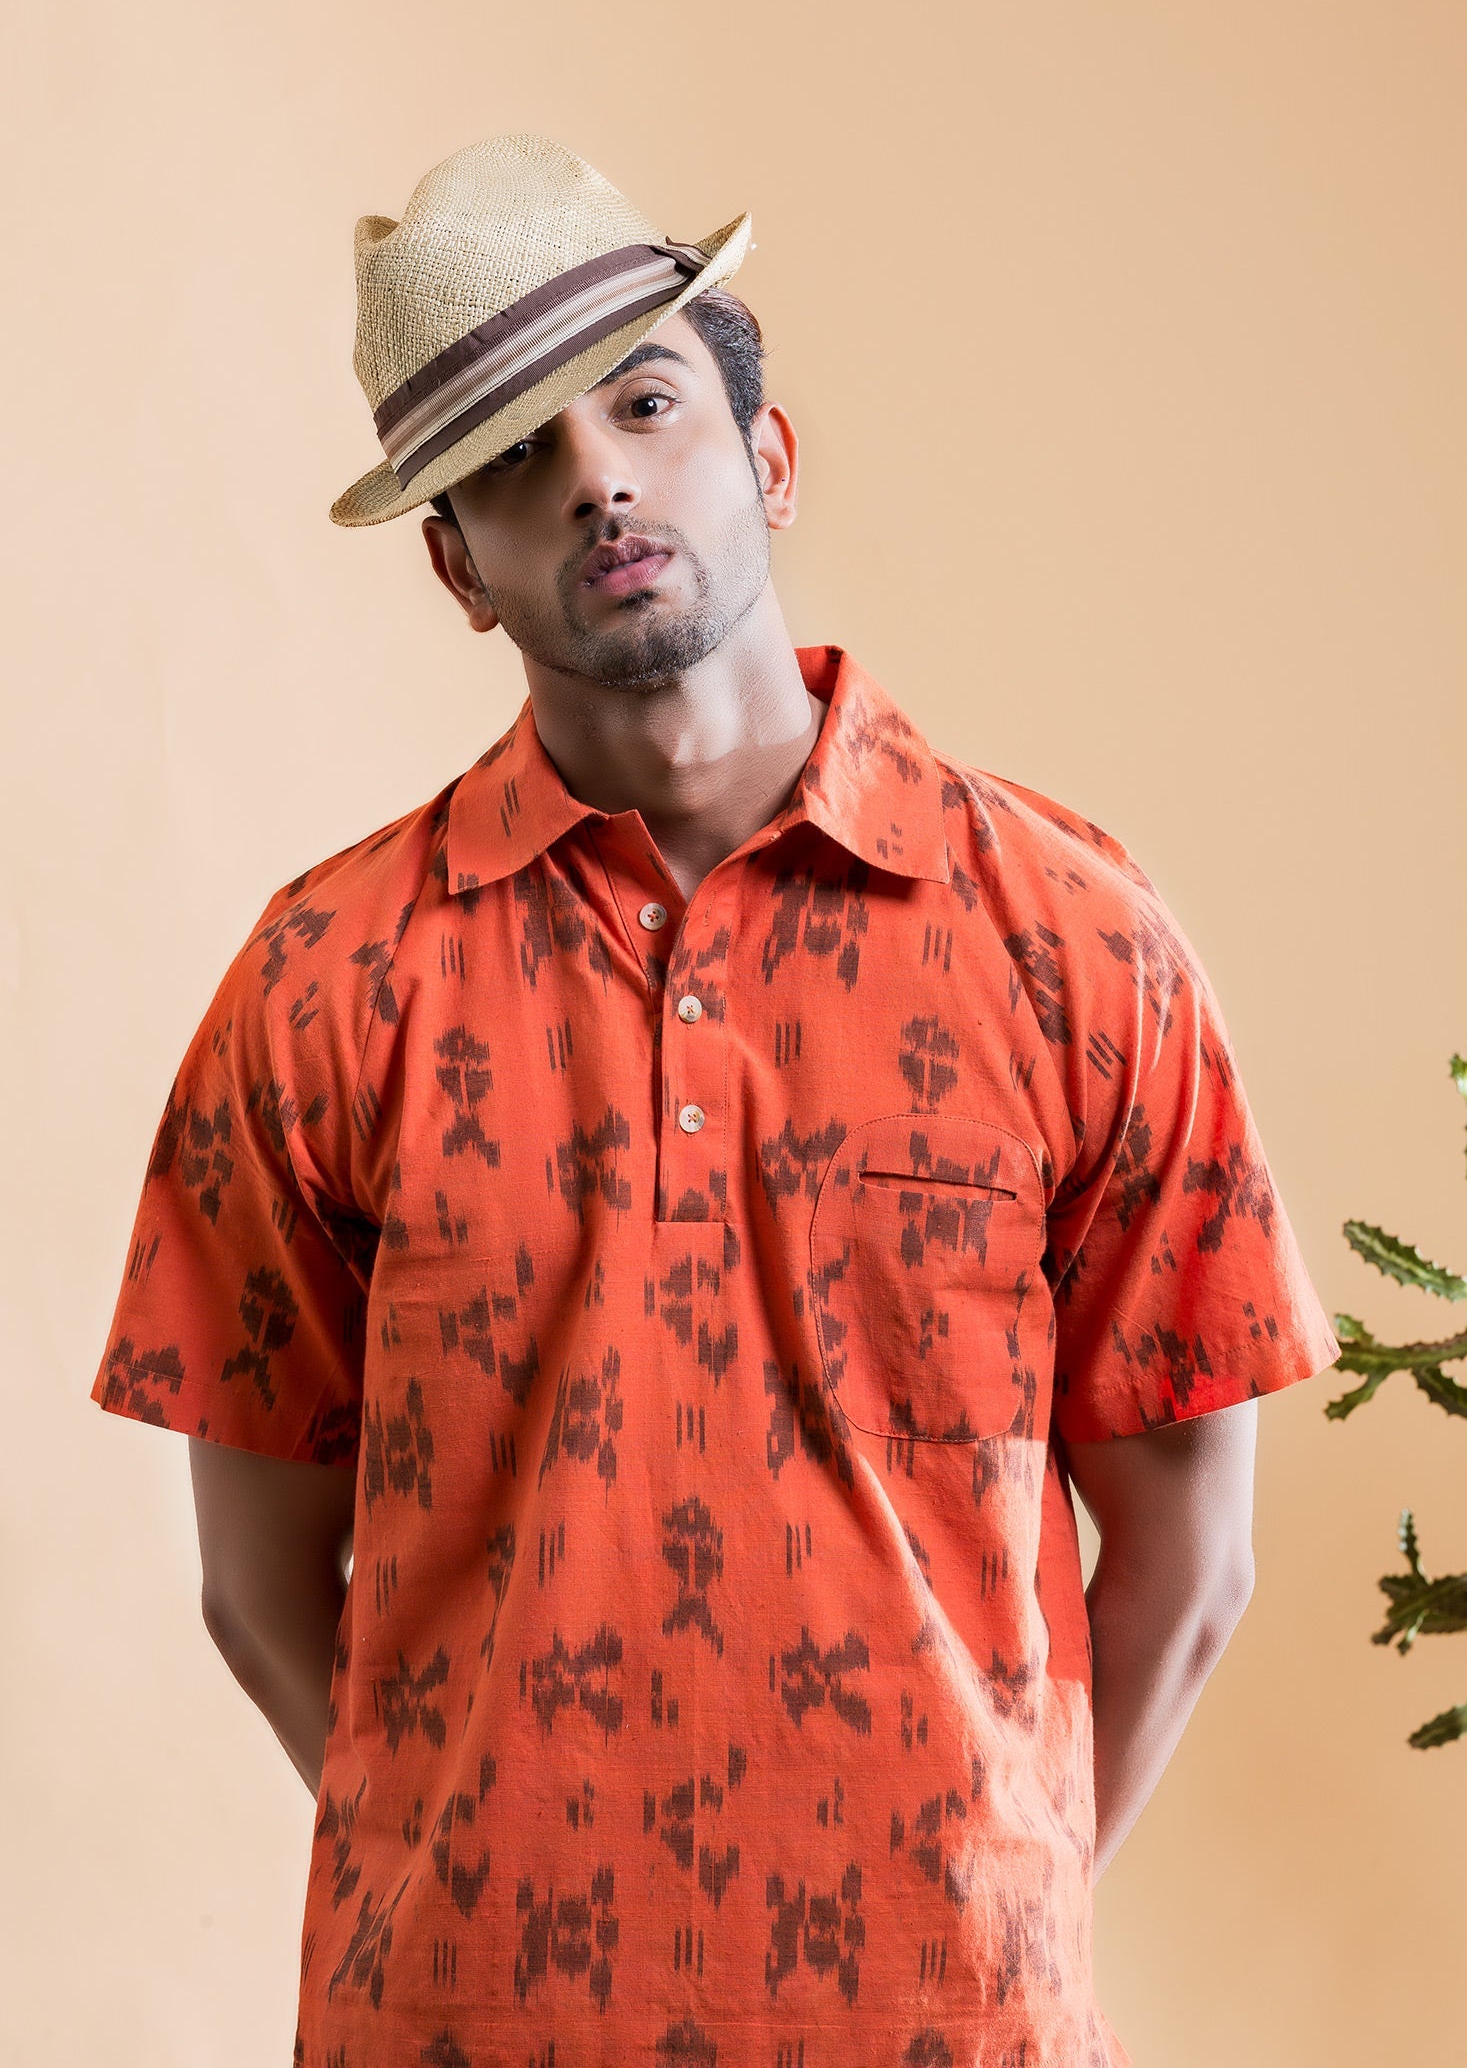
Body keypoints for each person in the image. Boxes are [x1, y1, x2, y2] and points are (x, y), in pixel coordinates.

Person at [90, 133, 1341, 2068]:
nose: (596, 477)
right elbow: (257, 1589)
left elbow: (1191, 1566)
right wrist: (471, 1879)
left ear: (767, 457)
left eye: (645, 403)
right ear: (456, 565)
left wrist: (979, 1919)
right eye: (515, 455)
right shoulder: (327, 982)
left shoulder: (1073, 942)